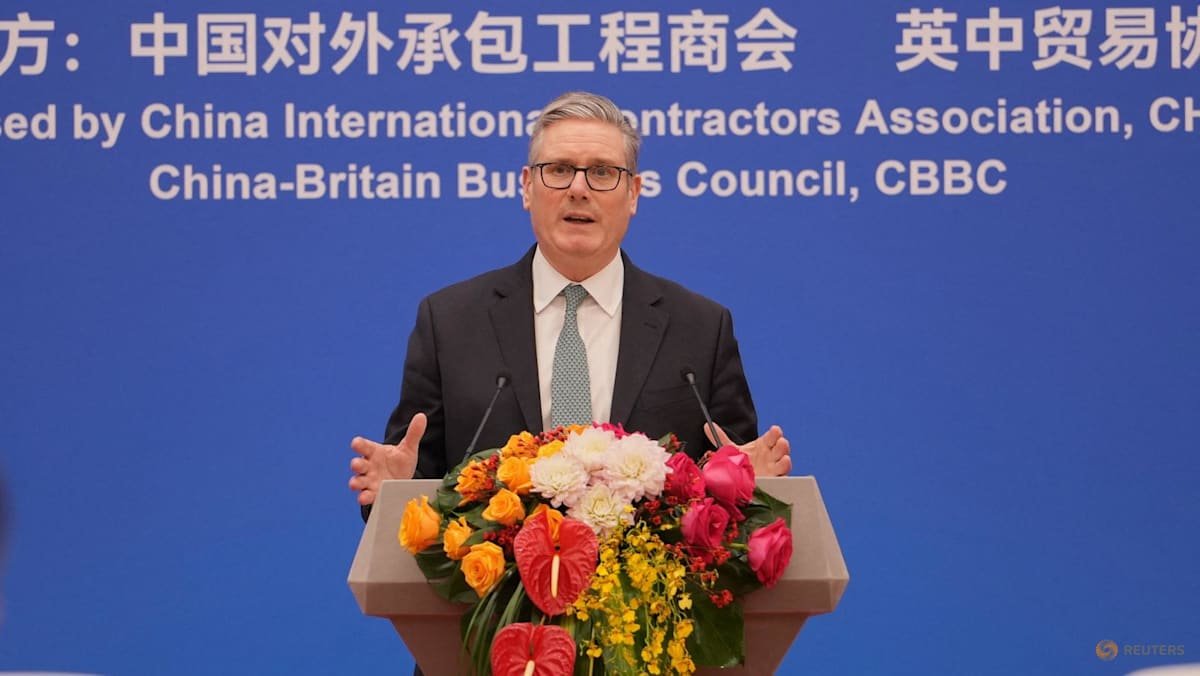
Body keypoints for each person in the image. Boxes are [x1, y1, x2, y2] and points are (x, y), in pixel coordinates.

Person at [349, 91, 791, 512]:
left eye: (602, 172)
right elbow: (414, 484)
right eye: (559, 169)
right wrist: (394, 491)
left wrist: (755, 487)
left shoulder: (700, 328)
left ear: (633, 193)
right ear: (527, 187)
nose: (579, 188)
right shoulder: (450, 323)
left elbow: (736, 496)